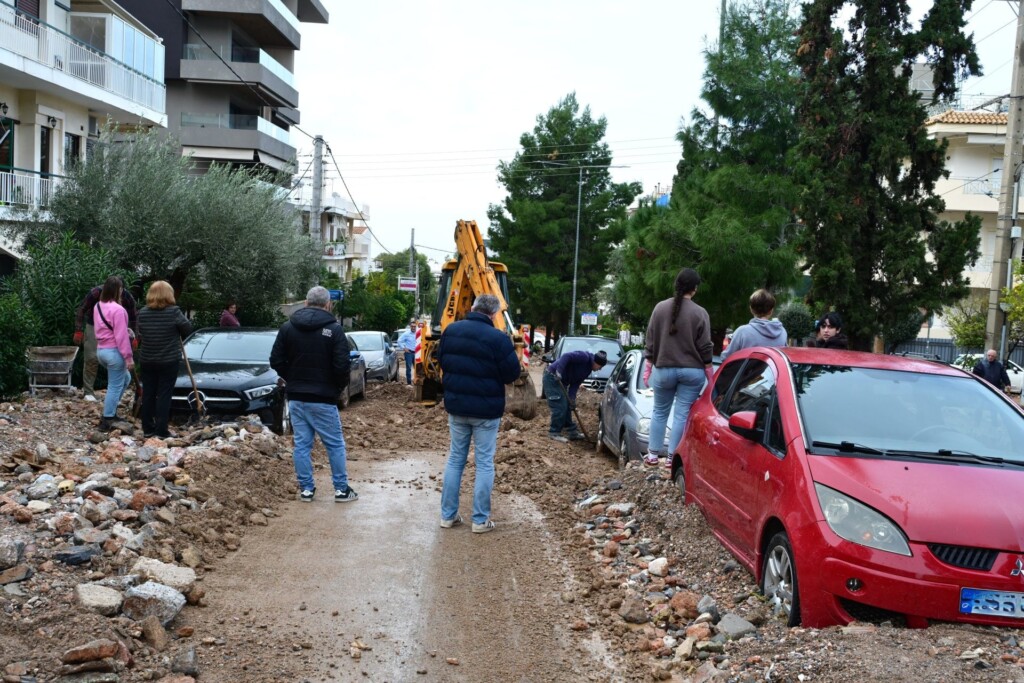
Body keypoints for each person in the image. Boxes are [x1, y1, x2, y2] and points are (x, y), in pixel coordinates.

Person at [437, 294, 522, 532]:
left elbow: (442, 361)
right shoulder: (498, 338)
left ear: (472, 307)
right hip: (486, 411)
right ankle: (479, 520)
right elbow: (511, 374)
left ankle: (447, 516)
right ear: (494, 314)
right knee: (484, 462)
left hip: (457, 406)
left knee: (455, 459)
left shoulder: (451, 331)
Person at [270, 286, 358, 503]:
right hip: (323, 397)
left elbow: (276, 360)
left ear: (306, 303)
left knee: (302, 444)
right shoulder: (335, 330)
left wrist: (292, 379)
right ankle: (341, 490)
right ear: (328, 304)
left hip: (297, 397)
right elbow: (341, 366)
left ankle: (306, 490)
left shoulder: (288, 327)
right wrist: (336, 389)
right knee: (334, 444)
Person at [642, 267, 714, 467]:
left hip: (664, 369)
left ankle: (653, 455)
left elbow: (650, 340)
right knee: (682, 413)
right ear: (695, 288)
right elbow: (705, 346)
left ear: (677, 286)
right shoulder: (700, 313)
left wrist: (648, 365)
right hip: (692, 372)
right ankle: (673, 457)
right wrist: (709, 371)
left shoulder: (659, 308)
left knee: (659, 411)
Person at [137, 281, 192, 438]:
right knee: (164, 395)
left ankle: (147, 429)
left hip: (147, 359)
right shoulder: (174, 312)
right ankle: (161, 430)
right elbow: (187, 329)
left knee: (148, 393)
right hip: (168, 360)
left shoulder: (143, 313)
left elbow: (140, 331)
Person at [74, 278, 138, 402]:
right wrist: (78, 330)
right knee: (92, 357)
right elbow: (81, 309)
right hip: (94, 325)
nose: (120, 291)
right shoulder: (95, 293)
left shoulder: (127, 297)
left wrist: (136, 336)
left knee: (118, 360)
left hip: (118, 327)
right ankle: (88, 391)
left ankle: (114, 394)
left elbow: (134, 316)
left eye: (121, 289)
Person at [92, 276, 135, 432]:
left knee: (126, 379)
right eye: (122, 289)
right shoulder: (119, 310)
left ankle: (111, 410)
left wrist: (126, 330)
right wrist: (129, 358)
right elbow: (121, 338)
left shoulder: (98, 306)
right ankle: (108, 418)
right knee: (115, 386)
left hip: (101, 350)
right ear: (118, 291)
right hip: (114, 353)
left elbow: (108, 328)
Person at [544, 349, 608, 443]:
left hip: (562, 382)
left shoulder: (587, 371)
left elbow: (575, 385)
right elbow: (566, 356)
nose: (600, 369)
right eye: (600, 366)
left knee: (567, 406)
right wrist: (559, 371)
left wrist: (572, 400)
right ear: (596, 362)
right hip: (552, 377)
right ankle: (554, 432)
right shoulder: (584, 357)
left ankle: (572, 432)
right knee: (560, 406)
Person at [720, 289, 787, 360]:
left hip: (746, 371)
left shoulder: (742, 332)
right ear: (771, 311)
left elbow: (726, 358)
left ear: (751, 309)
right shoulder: (782, 332)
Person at [397, 320, 418, 385]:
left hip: (417, 353)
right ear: (410, 326)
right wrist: (404, 348)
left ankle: (417, 382)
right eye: (412, 326)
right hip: (409, 353)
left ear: (416, 326)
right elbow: (399, 340)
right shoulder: (406, 334)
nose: (413, 328)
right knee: (408, 368)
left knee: (417, 368)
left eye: (414, 326)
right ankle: (409, 383)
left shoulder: (419, 333)